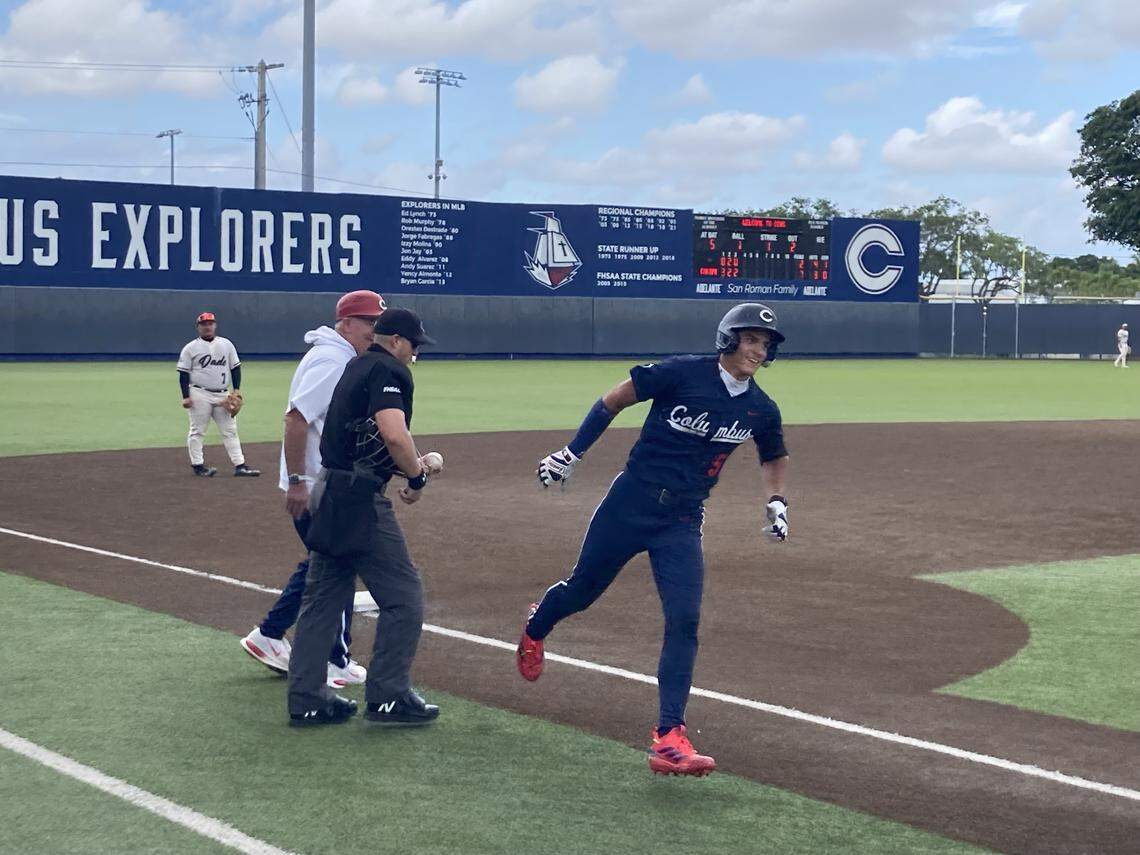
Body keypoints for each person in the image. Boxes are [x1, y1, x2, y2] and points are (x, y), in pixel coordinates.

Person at [517, 302, 791, 777]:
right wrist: (571, 453)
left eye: (765, 344)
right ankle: (537, 627)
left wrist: (777, 501)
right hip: (630, 503)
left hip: (682, 519)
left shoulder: (759, 408)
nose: (758, 349)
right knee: (582, 592)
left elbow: (773, 455)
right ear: (728, 339)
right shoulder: (679, 374)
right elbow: (613, 401)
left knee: (684, 621)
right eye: (751, 339)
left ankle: (669, 736)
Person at [287, 308, 441, 728]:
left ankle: (307, 699)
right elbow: (392, 432)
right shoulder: (388, 369)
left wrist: (410, 462)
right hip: (359, 500)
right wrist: (416, 476)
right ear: (395, 341)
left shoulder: (353, 366)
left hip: (328, 489)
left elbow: (367, 438)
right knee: (404, 597)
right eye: (413, 346)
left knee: (322, 600)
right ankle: (389, 696)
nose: (414, 354)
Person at [240, 290, 387, 689]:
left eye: (378, 323)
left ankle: (270, 635)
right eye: (369, 322)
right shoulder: (331, 361)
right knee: (334, 564)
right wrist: (299, 481)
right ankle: (332, 658)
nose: (375, 331)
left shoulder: (342, 358)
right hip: (318, 486)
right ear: (347, 323)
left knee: (324, 563)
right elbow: (295, 419)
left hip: (324, 484)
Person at [177, 312, 260, 477]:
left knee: (230, 430)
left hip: (223, 395)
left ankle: (240, 465)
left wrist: (236, 389)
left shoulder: (226, 344)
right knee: (197, 430)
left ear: (215, 325)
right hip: (199, 393)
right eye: (204, 324)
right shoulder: (191, 348)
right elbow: (183, 373)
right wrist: (186, 396)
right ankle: (198, 466)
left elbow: (235, 367)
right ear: (198, 327)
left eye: (210, 323)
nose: (207, 326)